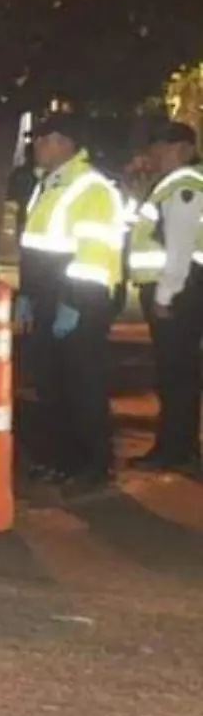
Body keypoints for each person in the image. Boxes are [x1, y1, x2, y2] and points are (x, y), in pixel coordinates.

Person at [16, 113, 128, 491]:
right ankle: (61, 460)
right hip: (48, 299)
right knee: (52, 386)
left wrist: (75, 303)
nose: (37, 147)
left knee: (83, 384)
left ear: (64, 143)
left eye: (44, 140)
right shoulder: (50, 184)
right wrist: (27, 296)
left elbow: (94, 255)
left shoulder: (90, 187)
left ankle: (95, 464)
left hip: (81, 300)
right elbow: (36, 247)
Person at [127, 123, 203, 470]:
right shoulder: (168, 186)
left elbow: (179, 247)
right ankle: (178, 446)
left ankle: (174, 449)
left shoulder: (184, 186)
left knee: (176, 373)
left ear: (185, 150)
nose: (155, 153)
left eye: (163, 147)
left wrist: (165, 295)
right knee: (177, 372)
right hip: (179, 289)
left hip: (179, 291)